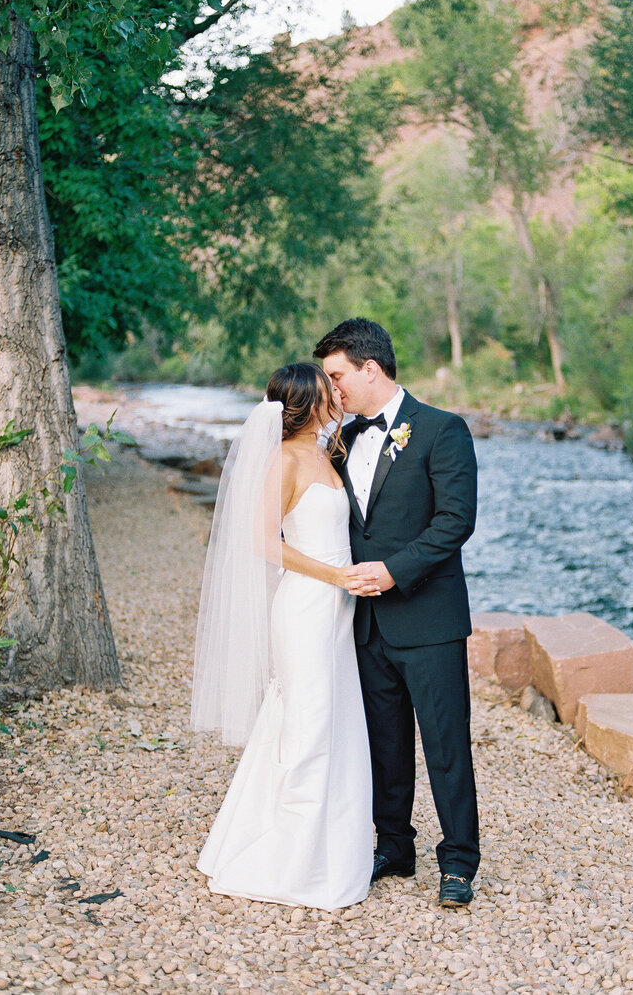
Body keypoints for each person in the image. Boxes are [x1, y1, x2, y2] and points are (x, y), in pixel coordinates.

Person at [190, 363, 380, 910]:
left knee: (329, 716)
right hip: (306, 604)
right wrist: (337, 576)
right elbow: (263, 541)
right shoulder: (285, 460)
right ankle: (290, 861)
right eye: (329, 390)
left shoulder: (326, 452)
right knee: (309, 720)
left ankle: (329, 847)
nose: (337, 395)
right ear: (307, 403)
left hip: (336, 609)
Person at [314, 318, 480, 908]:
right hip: (363, 622)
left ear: (369, 368)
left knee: (445, 745)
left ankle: (459, 860)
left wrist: (394, 570)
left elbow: (455, 522)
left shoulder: (442, 430)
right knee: (383, 743)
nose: (331, 389)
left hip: (428, 618)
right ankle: (394, 845)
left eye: (336, 376)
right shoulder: (339, 441)